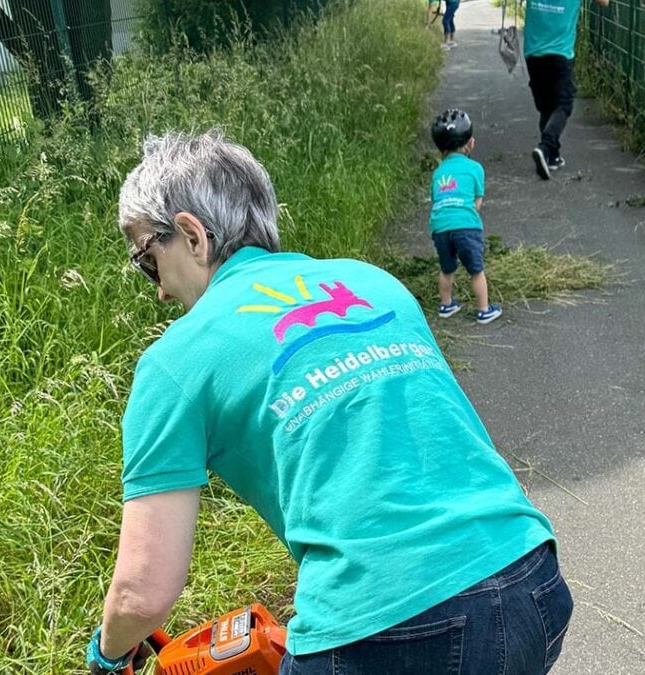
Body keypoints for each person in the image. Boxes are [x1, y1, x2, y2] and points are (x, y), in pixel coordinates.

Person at [85, 131, 572, 675]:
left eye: (147, 260)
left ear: (191, 235)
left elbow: (143, 596)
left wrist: (108, 654)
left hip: (386, 627)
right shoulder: (372, 283)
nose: (158, 290)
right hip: (531, 578)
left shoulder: (176, 360)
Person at [429, 109, 502, 325]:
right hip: (466, 226)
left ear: (441, 149)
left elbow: (436, 200)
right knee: (476, 270)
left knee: (447, 268)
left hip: (440, 226)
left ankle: (446, 305)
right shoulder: (475, 168)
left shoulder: (438, 172)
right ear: (471, 143)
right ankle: (483, 309)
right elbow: (476, 201)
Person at [525, 0, 610, 180]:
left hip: (533, 51)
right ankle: (545, 147)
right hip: (560, 53)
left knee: (547, 106)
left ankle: (552, 157)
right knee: (563, 104)